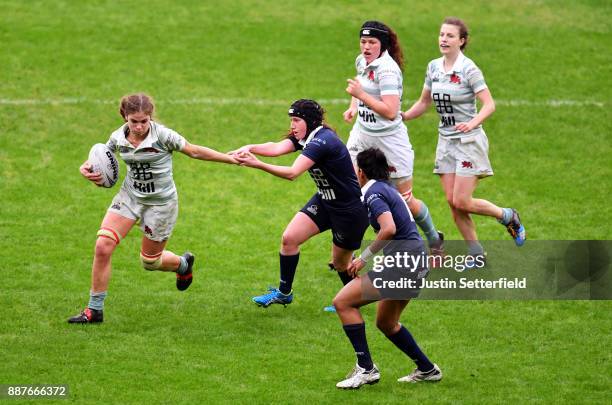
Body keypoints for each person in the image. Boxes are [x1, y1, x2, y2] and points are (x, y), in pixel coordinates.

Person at [68, 93, 238, 323]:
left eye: (144, 121)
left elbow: (194, 151)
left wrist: (230, 158)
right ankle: (94, 310)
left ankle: (183, 264)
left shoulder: (163, 136)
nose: (139, 127)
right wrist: (86, 168)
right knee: (102, 246)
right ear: (124, 117)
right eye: (133, 121)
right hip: (130, 197)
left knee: (150, 262)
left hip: (161, 205)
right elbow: (101, 158)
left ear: (150, 117)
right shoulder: (118, 137)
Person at [402, 17, 526, 262]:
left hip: (469, 141)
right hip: (446, 142)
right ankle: (476, 253)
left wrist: (472, 123)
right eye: (441, 35)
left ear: (462, 41)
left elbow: (489, 105)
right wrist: (402, 116)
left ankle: (508, 216)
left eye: (450, 36)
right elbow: (424, 102)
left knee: (462, 200)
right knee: (453, 203)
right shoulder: (433, 67)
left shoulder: (469, 69)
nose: (443, 39)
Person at [231, 99, 369, 307]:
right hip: (325, 200)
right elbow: (277, 148)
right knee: (289, 238)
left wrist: (256, 164)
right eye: (291, 120)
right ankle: (284, 293)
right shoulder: (306, 137)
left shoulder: (322, 141)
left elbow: (292, 173)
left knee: (341, 264)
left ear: (310, 121)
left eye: (296, 120)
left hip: (348, 210)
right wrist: (250, 147)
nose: (292, 125)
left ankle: (355, 300)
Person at [333, 148, 442, 389]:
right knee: (386, 322)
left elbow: (389, 228)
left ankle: (366, 369)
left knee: (343, 302)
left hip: (404, 263)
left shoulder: (374, 193)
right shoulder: (385, 189)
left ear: (361, 172)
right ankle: (427, 369)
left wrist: (363, 258)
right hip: (416, 261)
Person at [343, 20, 444, 257]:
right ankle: (347, 249)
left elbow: (390, 111)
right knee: (352, 191)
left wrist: (360, 96)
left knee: (404, 200)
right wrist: (354, 106)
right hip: (362, 135)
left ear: (383, 44)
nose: (366, 47)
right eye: (363, 41)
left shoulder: (388, 70)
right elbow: (360, 87)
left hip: (389, 141)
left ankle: (433, 238)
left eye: (372, 42)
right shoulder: (362, 61)